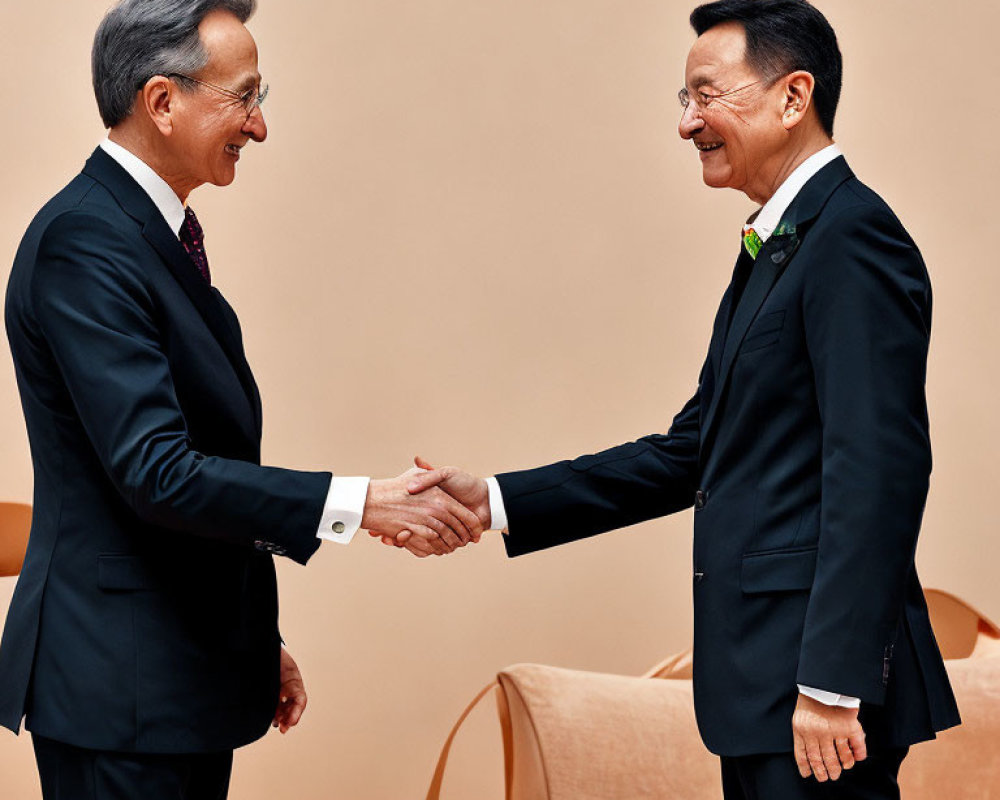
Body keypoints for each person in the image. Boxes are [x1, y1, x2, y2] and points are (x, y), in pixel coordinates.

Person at [398, 1, 961, 796]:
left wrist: (833, 687)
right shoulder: (782, 244)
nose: (687, 123)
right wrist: (492, 500)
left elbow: (878, 470)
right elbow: (691, 451)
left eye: (706, 95)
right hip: (766, 683)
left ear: (793, 97)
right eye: (682, 101)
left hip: (815, 693)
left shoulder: (852, 238)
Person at [0, 1, 482, 797]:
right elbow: (157, 473)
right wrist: (362, 503)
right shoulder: (86, 241)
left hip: (169, 675)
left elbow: (192, 473)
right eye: (245, 97)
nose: (259, 127)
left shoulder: (144, 233)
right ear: (162, 101)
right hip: (120, 694)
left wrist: (248, 641)